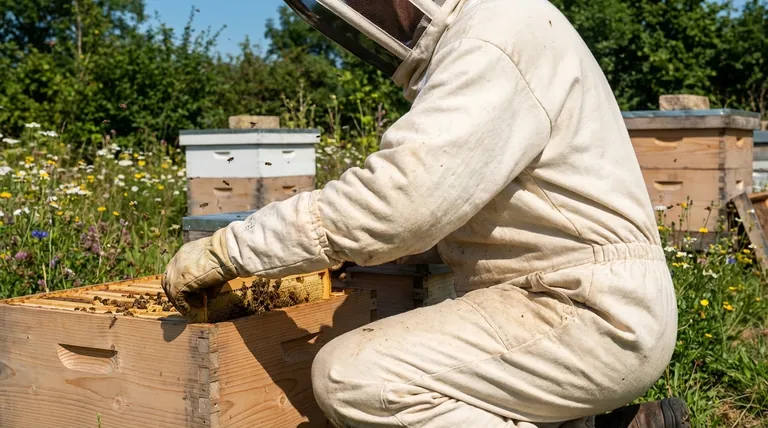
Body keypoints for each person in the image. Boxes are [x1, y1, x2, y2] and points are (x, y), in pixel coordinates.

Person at [162, 0, 693, 426]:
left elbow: (398, 203)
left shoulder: (493, 38)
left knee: (356, 377)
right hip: (563, 297)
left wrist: (231, 249)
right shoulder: (496, 27)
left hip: (586, 312)